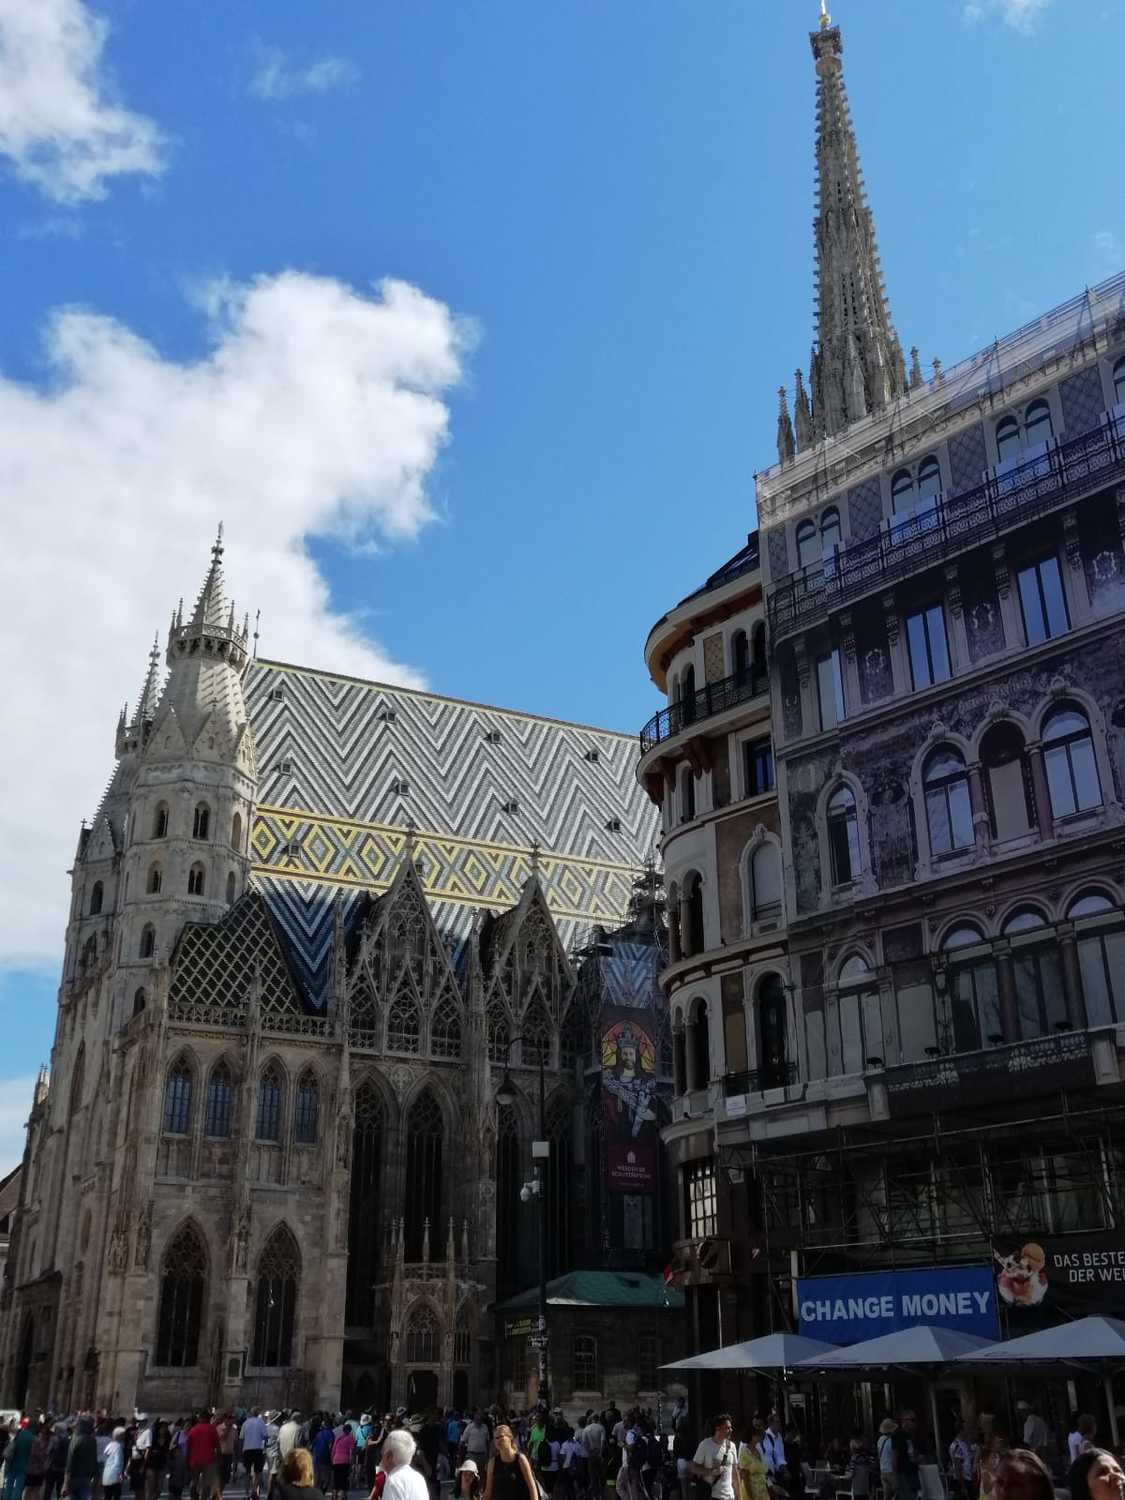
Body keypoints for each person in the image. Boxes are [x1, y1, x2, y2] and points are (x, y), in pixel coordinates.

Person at [482, 1427, 537, 1500]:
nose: (498, 1440)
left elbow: (532, 1487)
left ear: (510, 1437)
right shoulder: (492, 1463)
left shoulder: (520, 1459)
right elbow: (488, 1491)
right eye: (496, 1438)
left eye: (501, 1436)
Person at [691, 1416, 736, 1500]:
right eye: (727, 1428)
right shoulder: (705, 1445)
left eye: (730, 1427)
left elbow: (735, 1472)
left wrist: (739, 1495)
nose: (731, 1430)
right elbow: (694, 1468)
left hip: (730, 1496)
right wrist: (711, 1472)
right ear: (717, 1428)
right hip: (713, 1496)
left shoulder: (731, 1446)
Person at [378, 1431, 431, 1500]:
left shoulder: (393, 1480)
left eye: (382, 1453)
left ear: (389, 1456)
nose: (380, 1459)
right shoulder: (419, 1477)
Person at [186, 1412, 222, 1500]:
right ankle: (203, 1498)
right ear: (208, 1418)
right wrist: (219, 1458)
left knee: (194, 1481)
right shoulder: (212, 1429)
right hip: (208, 1460)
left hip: (194, 1460)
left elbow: (188, 1447)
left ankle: (193, 1497)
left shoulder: (193, 1430)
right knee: (206, 1483)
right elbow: (217, 1445)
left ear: (200, 1418)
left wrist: (187, 1460)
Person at [65, 1419, 100, 1500]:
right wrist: (96, 1477)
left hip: (74, 1477)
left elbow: (70, 1462)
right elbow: (94, 1460)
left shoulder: (75, 1440)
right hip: (87, 1477)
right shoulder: (92, 1441)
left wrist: (65, 1483)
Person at [4, 1420, 36, 1500]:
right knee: (18, 1488)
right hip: (24, 1466)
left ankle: (6, 1498)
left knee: (9, 1485)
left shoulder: (19, 1433)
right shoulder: (33, 1438)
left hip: (13, 1463)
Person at [738, 1421, 770, 1500]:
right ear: (752, 1436)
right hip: (752, 1493)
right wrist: (750, 1497)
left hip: (763, 1492)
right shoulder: (744, 1452)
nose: (759, 1437)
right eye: (757, 1435)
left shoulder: (758, 1450)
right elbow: (745, 1478)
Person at [889, 1413, 918, 1500]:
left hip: (912, 1472)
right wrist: (895, 1477)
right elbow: (894, 1455)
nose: (914, 1423)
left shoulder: (909, 1435)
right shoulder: (897, 1435)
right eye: (912, 1420)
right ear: (904, 1421)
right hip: (903, 1473)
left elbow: (910, 1453)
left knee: (913, 1495)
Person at [243, 1412, 268, 1500]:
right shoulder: (261, 1422)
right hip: (258, 1449)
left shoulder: (245, 1423)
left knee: (247, 1472)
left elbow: (241, 1437)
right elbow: (265, 1436)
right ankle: (254, 1491)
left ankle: (247, 1493)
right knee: (258, 1472)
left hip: (247, 1449)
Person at [44, 1424, 69, 1500]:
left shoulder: (54, 1439)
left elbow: (48, 1451)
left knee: (48, 1489)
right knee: (59, 1489)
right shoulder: (68, 1440)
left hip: (51, 1467)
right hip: (62, 1468)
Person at [23, 1426, 48, 1500]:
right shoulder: (42, 1443)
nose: (43, 1435)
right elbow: (39, 1455)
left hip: (33, 1469)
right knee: (33, 1489)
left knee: (30, 1489)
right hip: (37, 1470)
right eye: (42, 1433)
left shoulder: (35, 1441)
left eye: (44, 1433)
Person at [948, 1426, 973, 1499]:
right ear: (961, 1431)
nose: (968, 1431)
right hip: (962, 1480)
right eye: (966, 1429)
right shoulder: (957, 1445)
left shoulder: (963, 1443)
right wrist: (963, 1486)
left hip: (967, 1479)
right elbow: (958, 1466)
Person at [331, 1425, 356, 1500]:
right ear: (349, 1430)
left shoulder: (338, 1438)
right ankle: (342, 1497)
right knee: (344, 1480)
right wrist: (352, 1463)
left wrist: (332, 1460)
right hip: (345, 1461)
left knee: (336, 1480)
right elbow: (351, 1452)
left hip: (336, 1461)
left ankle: (334, 1497)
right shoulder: (350, 1438)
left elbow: (333, 1450)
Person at [103, 1429, 128, 1500]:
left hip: (106, 1473)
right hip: (115, 1475)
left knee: (107, 1495)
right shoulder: (118, 1447)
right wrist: (120, 1475)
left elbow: (104, 1457)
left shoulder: (109, 1445)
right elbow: (118, 1462)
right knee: (116, 1495)